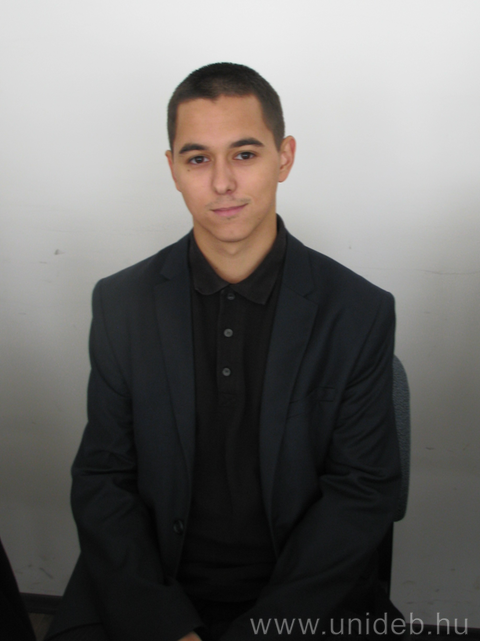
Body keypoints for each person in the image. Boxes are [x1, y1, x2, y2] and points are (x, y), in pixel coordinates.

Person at [47, 63, 402, 641]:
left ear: (284, 157)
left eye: (244, 154)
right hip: (152, 586)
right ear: (173, 169)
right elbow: (103, 478)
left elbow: (363, 491)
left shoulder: (359, 310)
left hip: (302, 599)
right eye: (197, 159)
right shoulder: (120, 302)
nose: (221, 183)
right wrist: (163, 625)